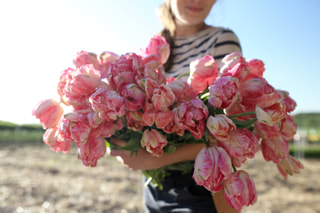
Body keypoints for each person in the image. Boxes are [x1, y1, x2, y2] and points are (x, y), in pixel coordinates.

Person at [108, 0, 241, 212]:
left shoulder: (222, 39)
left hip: (202, 184)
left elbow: (230, 132)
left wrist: (151, 159)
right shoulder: (155, 47)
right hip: (154, 189)